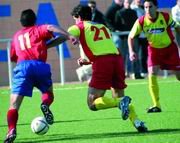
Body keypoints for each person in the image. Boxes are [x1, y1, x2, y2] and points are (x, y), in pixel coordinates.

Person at [68, 4, 148, 132]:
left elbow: (69, 33)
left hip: (103, 63)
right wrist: (88, 61)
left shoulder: (80, 26)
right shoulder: (102, 27)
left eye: (75, 19)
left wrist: (72, 37)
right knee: (120, 98)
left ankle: (120, 102)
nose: (75, 22)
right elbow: (105, 49)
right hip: (117, 60)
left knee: (92, 103)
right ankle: (137, 122)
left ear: (79, 17)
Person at [4, 9, 76, 143]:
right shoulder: (38, 29)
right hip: (40, 66)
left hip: (22, 68)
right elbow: (50, 27)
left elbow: (14, 58)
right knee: (48, 93)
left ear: (21, 22)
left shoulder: (16, 37)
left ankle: (11, 130)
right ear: (35, 20)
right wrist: (68, 35)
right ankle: (45, 104)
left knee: (13, 105)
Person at [128, 0, 180, 113]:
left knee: (179, 76)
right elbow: (130, 37)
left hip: (170, 49)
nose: (147, 10)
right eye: (145, 7)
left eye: (150, 7)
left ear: (156, 7)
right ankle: (156, 105)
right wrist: (131, 51)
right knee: (151, 74)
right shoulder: (141, 21)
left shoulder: (165, 17)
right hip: (154, 50)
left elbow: (177, 27)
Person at [115, 0, 144, 79]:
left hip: (133, 37)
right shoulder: (119, 12)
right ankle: (122, 74)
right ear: (124, 3)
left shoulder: (133, 12)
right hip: (124, 38)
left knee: (135, 55)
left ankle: (137, 73)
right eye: (126, 2)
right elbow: (117, 25)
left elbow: (136, 24)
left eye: (128, 2)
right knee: (123, 56)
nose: (127, 4)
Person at [131, 0, 148, 77]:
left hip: (144, 35)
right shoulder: (131, 9)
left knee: (144, 54)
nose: (139, 1)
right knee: (135, 54)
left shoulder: (143, 9)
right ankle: (136, 72)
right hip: (135, 35)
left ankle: (144, 71)